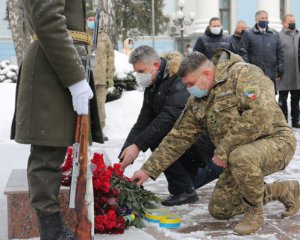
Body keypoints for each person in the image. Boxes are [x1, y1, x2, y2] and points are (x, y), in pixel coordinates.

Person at [132, 49, 299, 235]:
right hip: (237, 154)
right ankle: (283, 189)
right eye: (186, 85)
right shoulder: (198, 99)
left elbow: (260, 115)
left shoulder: (244, 74)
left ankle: (254, 213)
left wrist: (224, 149)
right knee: (221, 209)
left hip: (275, 142)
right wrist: (148, 170)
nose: (189, 89)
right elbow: (179, 136)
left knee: (241, 155)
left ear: (207, 74)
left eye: (191, 84)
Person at [10, 1, 102, 239]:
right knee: (47, 151)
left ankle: (52, 229)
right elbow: (48, 21)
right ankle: (51, 231)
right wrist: (74, 78)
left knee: (56, 148)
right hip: (53, 67)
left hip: (62, 63)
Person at [119, 45, 222, 206]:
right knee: (155, 136)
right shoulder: (153, 85)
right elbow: (142, 122)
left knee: (159, 136)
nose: (139, 76)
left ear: (155, 65)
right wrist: (126, 154)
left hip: (198, 142)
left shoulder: (178, 79)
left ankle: (185, 190)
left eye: (141, 71)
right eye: (136, 72)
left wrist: (139, 145)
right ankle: (186, 184)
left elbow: (169, 117)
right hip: (183, 144)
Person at [86, 10, 115, 139]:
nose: (92, 21)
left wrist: (110, 76)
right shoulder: (82, 35)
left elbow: (110, 56)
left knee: (100, 108)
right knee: (85, 106)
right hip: (86, 78)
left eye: (93, 19)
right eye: (89, 19)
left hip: (101, 79)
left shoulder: (104, 37)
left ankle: (99, 132)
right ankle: (85, 132)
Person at [240, 10, 284, 88]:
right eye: (262, 18)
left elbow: (279, 51)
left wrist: (280, 67)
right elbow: (243, 51)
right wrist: (248, 67)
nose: (264, 20)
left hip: (271, 72)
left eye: (266, 18)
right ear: (256, 20)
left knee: (269, 96)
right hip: (254, 73)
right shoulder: (248, 34)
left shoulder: (274, 34)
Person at [276, 14, 300, 128]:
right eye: (290, 21)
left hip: (297, 73)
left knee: (296, 99)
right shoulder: (278, 36)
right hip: (284, 73)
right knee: (283, 99)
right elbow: (276, 53)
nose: (292, 23)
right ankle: (283, 121)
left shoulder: (298, 35)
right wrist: (278, 70)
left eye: (293, 21)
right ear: (284, 23)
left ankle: (296, 120)